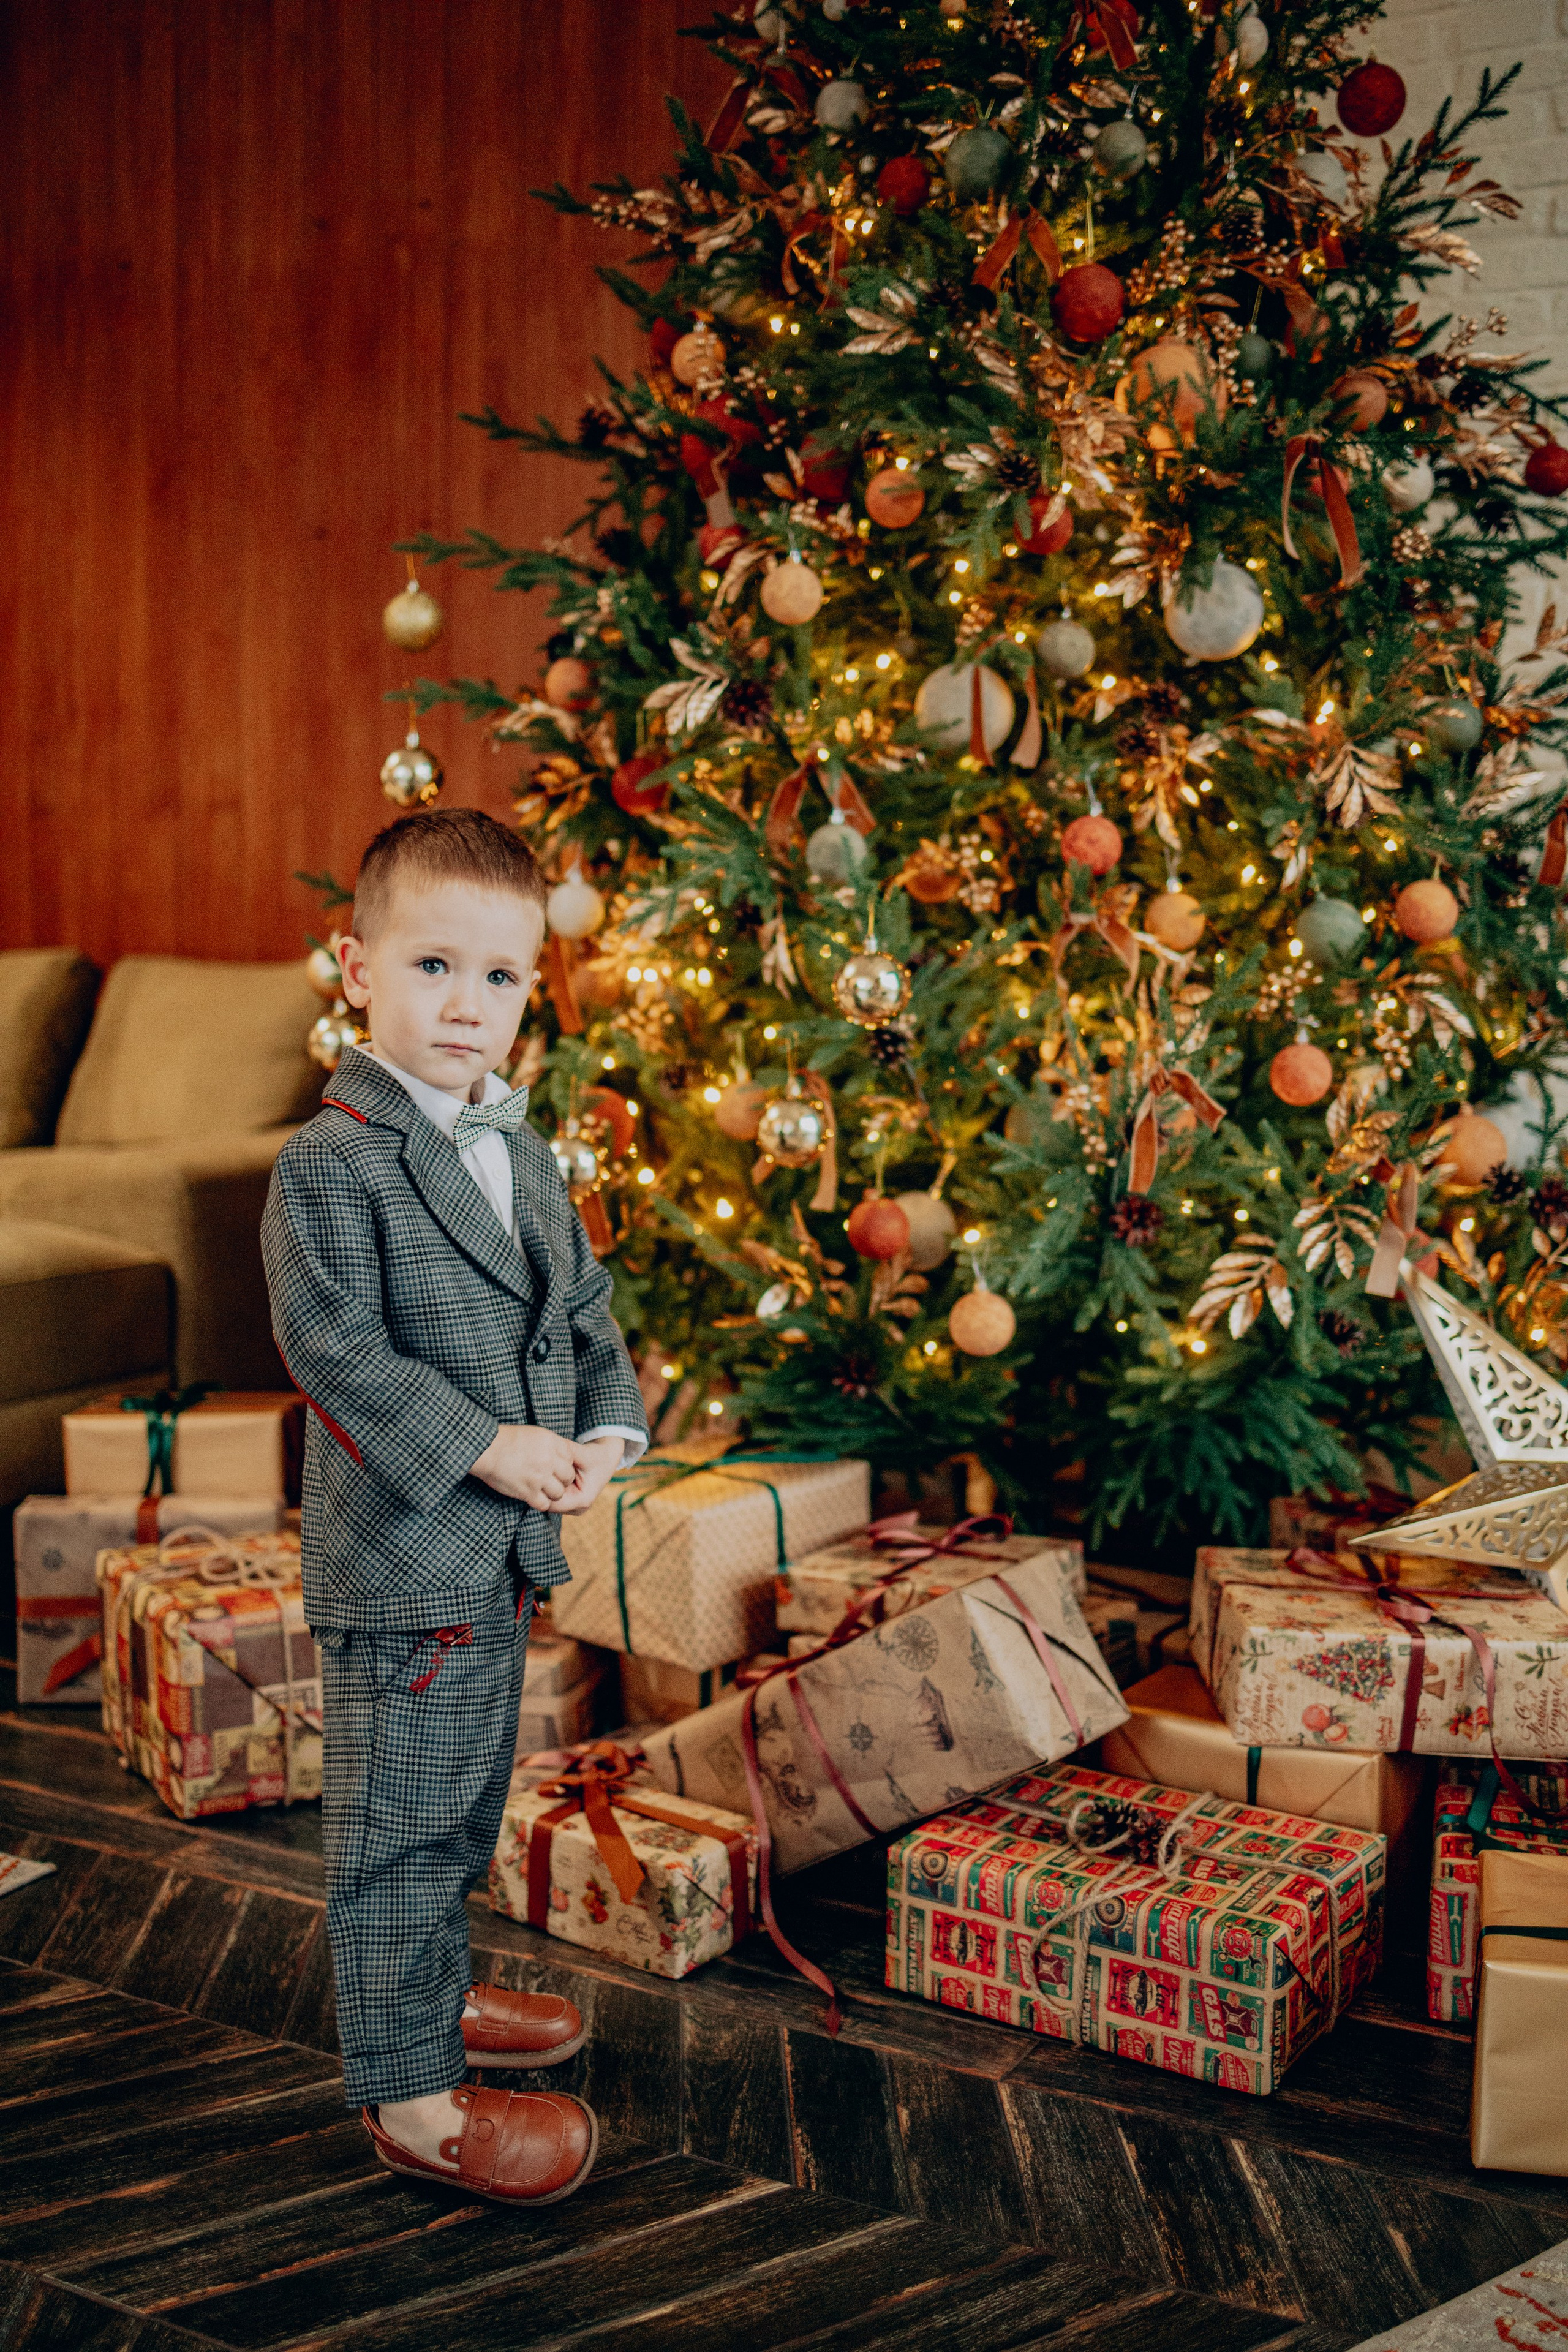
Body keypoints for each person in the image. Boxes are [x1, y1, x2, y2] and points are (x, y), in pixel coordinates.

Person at [262, 808, 649, 2207]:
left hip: (498, 1557)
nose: (466, 1006)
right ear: (354, 967)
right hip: (410, 1551)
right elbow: (337, 1352)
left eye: (498, 978)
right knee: (397, 1828)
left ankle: (429, 1990)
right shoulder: (331, 1164)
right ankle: (408, 2094)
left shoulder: (521, 1151)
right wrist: (489, 1444)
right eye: (432, 966)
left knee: (463, 1799)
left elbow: (583, 1313)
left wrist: (602, 1428)